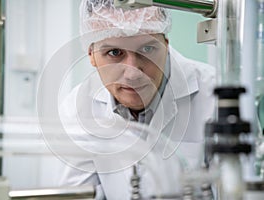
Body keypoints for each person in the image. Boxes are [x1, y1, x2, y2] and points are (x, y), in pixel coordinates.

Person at [58, 0, 215, 199]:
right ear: (92, 55)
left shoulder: (213, 94)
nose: (133, 74)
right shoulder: (77, 108)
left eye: (147, 49)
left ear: (166, 45)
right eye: (114, 53)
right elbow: (79, 194)